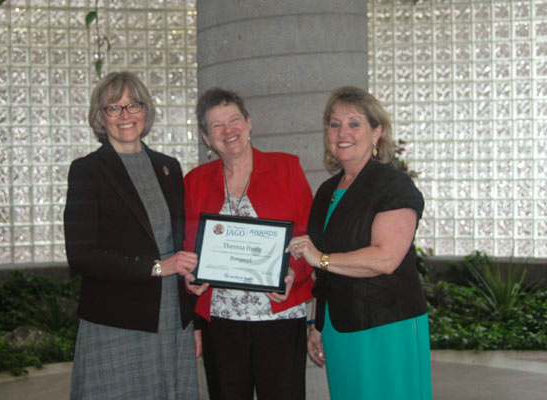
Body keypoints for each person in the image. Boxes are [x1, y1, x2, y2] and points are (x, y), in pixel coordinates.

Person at [287, 86, 432, 399]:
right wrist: (317, 322)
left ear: (376, 131)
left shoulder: (393, 185)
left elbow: (385, 259)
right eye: (334, 124)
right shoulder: (327, 190)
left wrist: (321, 258)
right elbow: (321, 274)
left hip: (385, 324)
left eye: (354, 124)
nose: (343, 133)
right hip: (339, 328)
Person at [63, 71, 199, 399]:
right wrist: (156, 266)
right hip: (117, 318)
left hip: (171, 318)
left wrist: (194, 280)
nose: (125, 116)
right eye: (114, 108)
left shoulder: (169, 167)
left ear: (145, 111)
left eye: (133, 105)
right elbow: (82, 255)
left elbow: (181, 241)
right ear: (101, 117)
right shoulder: (87, 171)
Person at [183, 88, 314, 400]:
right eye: (216, 125)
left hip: (279, 316)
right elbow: (190, 249)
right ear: (205, 137)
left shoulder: (287, 168)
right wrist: (193, 282)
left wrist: (293, 272)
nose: (229, 131)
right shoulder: (195, 181)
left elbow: (309, 236)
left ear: (249, 123)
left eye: (234, 119)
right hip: (221, 321)